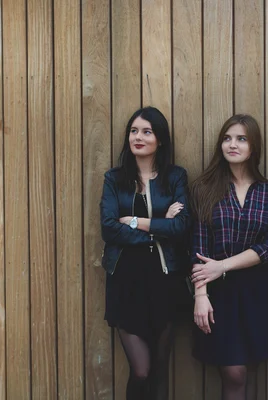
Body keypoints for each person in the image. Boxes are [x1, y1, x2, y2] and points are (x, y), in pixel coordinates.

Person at [190, 114, 268, 400]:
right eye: (227, 138)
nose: (232, 144)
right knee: (234, 372)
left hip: (257, 291)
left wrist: (223, 266)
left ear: (253, 145)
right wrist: (200, 295)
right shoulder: (203, 189)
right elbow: (198, 247)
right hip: (218, 294)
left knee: (249, 369)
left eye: (241, 139)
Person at [100, 106, 191, 400]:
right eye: (134, 131)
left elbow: (182, 227)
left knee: (160, 368)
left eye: (147, 131)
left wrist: (137, 223)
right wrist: (158, 228)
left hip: (165, 281)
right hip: (126, 282)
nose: (138, 137)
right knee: (141, 371)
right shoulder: (114, 179)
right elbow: (109, 228)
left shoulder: (175, 177)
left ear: (160, 139)